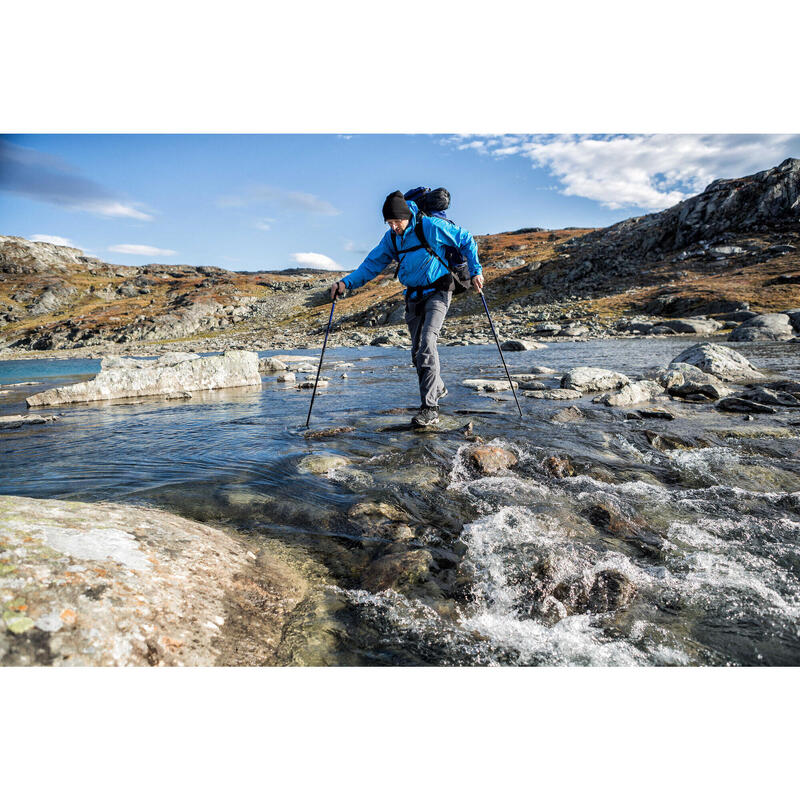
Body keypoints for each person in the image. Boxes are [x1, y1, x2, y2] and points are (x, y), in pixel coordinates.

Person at [330, 190, 484, 427]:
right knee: (416, 353)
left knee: (427, 344)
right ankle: (438, 387)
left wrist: (476, 270)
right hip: (413, 296)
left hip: (439, 292)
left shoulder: (430, 226)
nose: (394, 227)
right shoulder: (391, 238)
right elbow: (371, 265)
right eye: (389, 223)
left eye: (397, 222)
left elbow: (465, 239)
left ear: (407, 216)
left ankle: (430, 408)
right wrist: (345, 283)